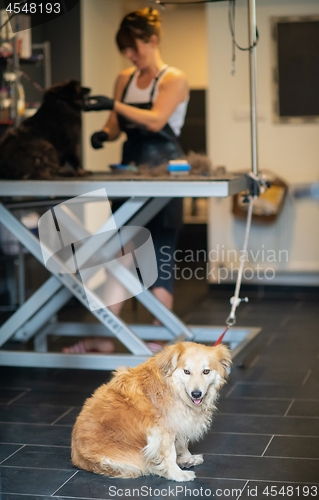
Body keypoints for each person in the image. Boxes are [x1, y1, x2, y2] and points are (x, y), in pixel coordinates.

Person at [63, 7, 189, 354]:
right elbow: (116, 125)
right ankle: (105, 336)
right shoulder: (125, 78)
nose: (131, 57)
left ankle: (160, 338)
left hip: (164, 172)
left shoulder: (174, 78)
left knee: (159, 252)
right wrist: (103, 133)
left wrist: (115, 104)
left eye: (135, 48)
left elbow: (155, 119)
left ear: (153, 40)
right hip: (130, 172)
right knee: (123, 252)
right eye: (126, 52)